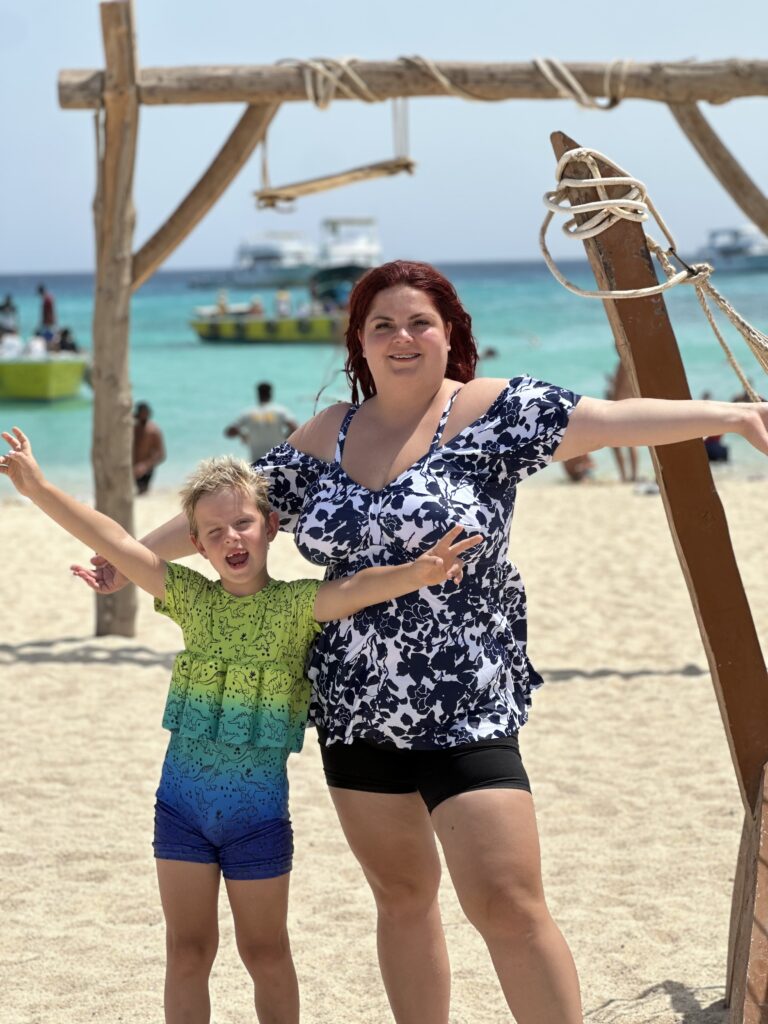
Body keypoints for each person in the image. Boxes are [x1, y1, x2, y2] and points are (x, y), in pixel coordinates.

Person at [74, 261, 768, 1024]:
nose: (401, 337)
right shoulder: (327, 434)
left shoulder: (493, 411)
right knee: (402, 898)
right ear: (360, 342)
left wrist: (732, 417)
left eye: (418, 323)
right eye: (383, 325)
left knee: (506, 902)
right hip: (354, 709)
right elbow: (228, 513)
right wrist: (128, 557)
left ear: (448, 334)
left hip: (467, 704)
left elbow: (610, 420)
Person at [0, 431, 480, 1024]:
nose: (232, 537)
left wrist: (419, 571)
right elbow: (114, 540)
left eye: (243, 523)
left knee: (266, 954)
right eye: (215, 531)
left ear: (271, 526)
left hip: (258, 819)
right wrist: (39, 488)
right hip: (181, 810)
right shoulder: (192, 600)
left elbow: (357, 588)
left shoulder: (296, 605)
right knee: (187, 952)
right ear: (197, 546)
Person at [224, 383, 299, 463]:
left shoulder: (248, 413)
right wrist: (284, 439)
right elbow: (295, 428)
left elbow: (229, 432)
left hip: (256, 459)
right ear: (270, 393)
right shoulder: (280, 411)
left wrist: (242, 434)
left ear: (258, 394)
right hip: (277, 457)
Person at [605, 359, 639, 482]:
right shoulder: (632, 364)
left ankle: (624, 476)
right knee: (631, 443)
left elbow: (618, 387)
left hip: (619, 406)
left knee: (615, 444)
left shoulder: (623, 363)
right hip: (630, 404)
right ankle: (633, 475)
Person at [133, 401, 166, 495]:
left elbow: (161, 455)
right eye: (141, 414)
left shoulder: (153, 431)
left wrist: (144, 466)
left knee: (142, 493)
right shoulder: (132, 429)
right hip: (131, 468)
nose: (143, 417)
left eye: (145, 414)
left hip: (146, 470)